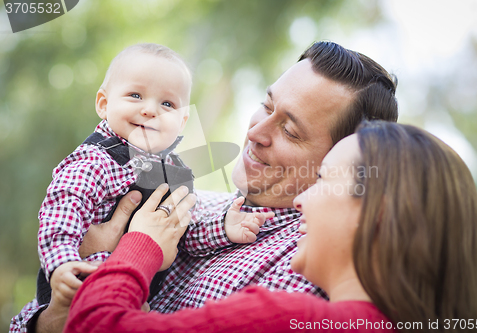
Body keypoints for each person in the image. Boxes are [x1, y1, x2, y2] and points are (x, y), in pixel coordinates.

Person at [11, 41, 398, 332]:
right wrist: (49, 314)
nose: (256, 131)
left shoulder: (306, 269)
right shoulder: (198, 203)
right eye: (266, 105)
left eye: (290, 131)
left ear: (343, 156)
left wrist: (133, 248)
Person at [64, 121, 477, 333]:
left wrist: (139, 243)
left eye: (323, 180)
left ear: (376, 216)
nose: (302, 199)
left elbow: (95, 324)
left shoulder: (285, 317)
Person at [11, 43, 273, 332]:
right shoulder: (96, 160)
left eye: (167, 104)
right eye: (135, 95)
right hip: (78, 286)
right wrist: (62, 264)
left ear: (182, 121)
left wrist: (223, 228)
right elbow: (62, 213)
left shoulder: (177, 174)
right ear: (103, 103)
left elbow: (182, 232)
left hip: (130, 304)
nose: (150, 110)